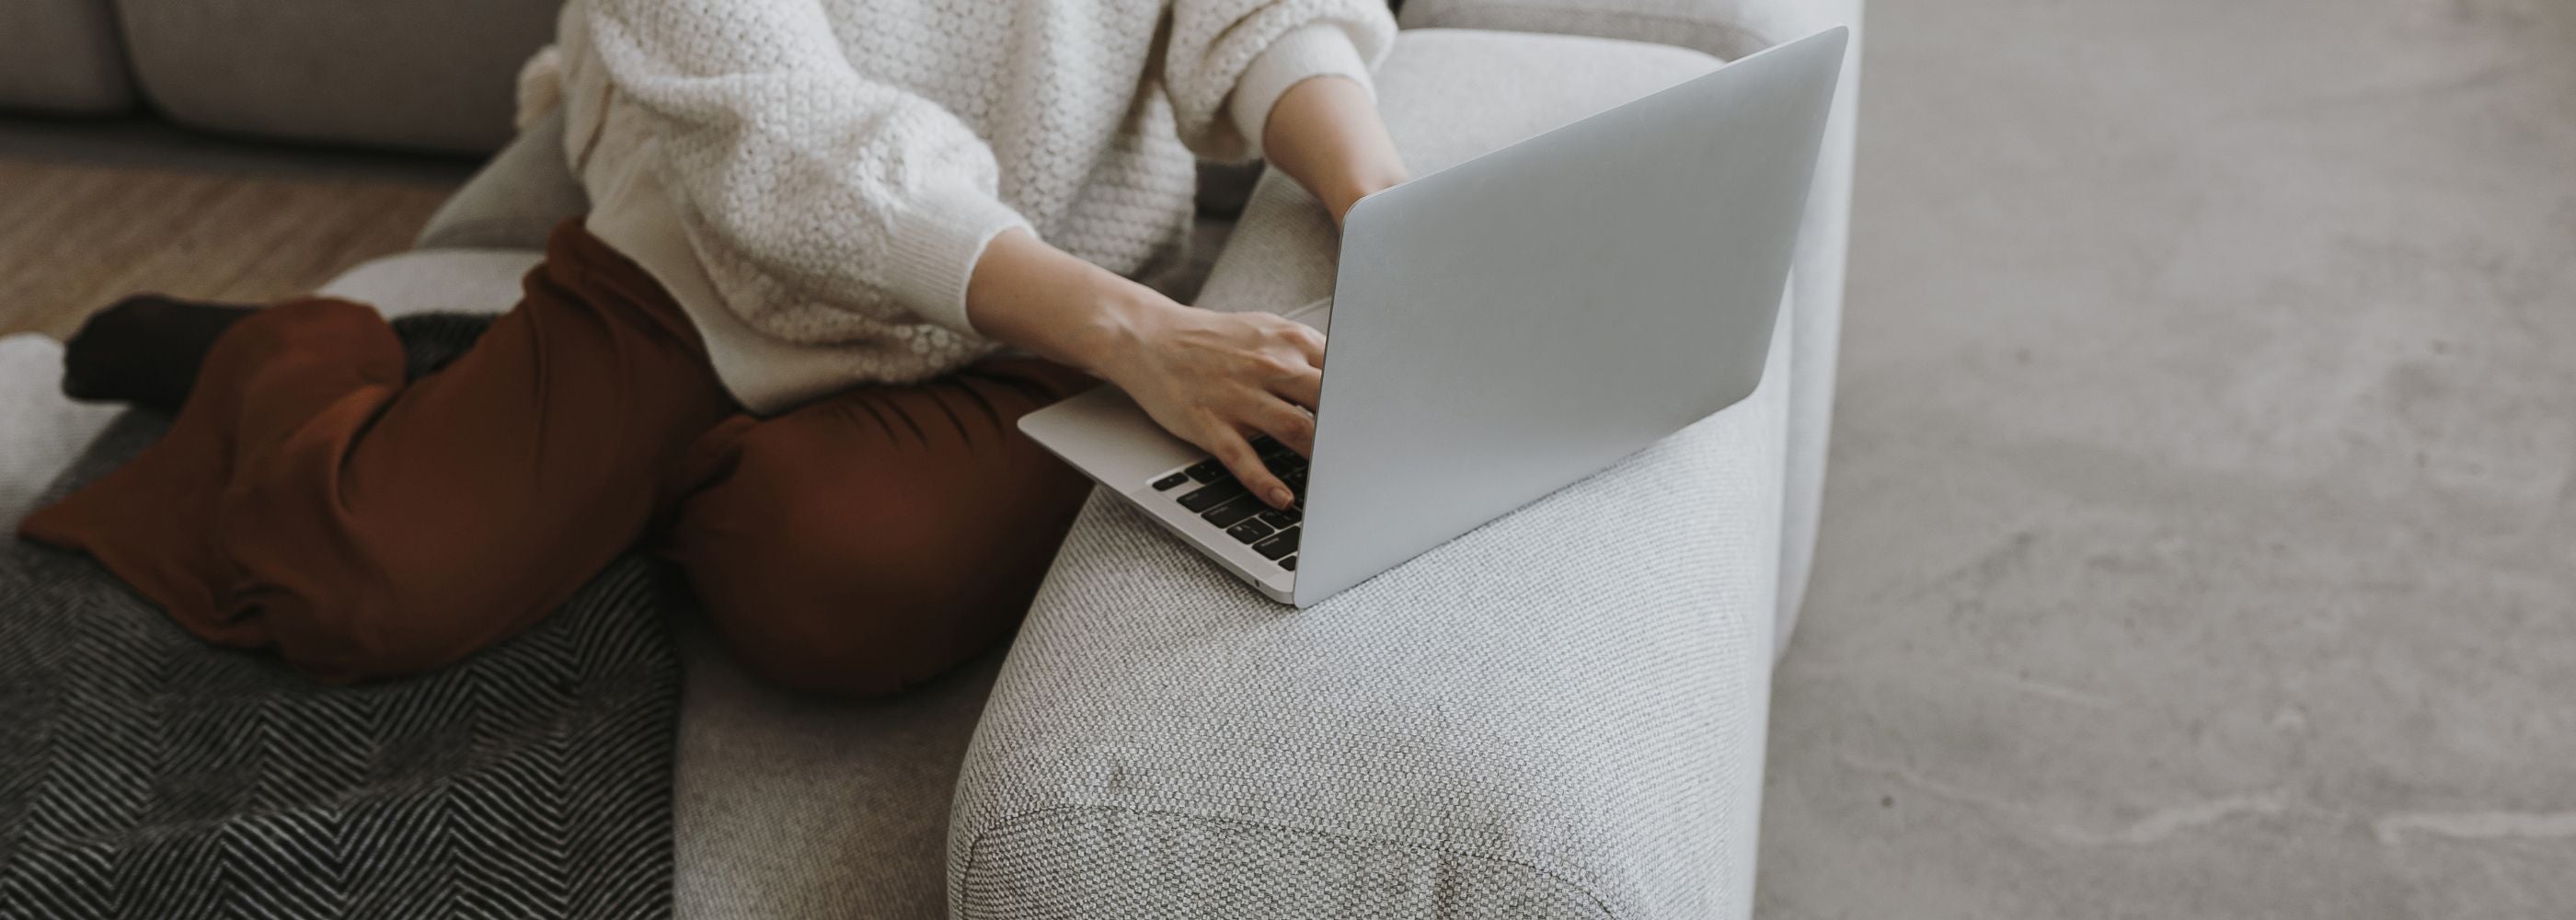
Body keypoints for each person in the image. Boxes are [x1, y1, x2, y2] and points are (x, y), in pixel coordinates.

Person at [20, 0, 1409, 696]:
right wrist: (1139, 335)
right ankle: (294, 345)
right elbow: (783, 137)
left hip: (1046, 307)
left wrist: (1383, 209)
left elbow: (1267, 14)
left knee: (832, 581)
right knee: (366, 588)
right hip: (707, 261)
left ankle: (641, 480)